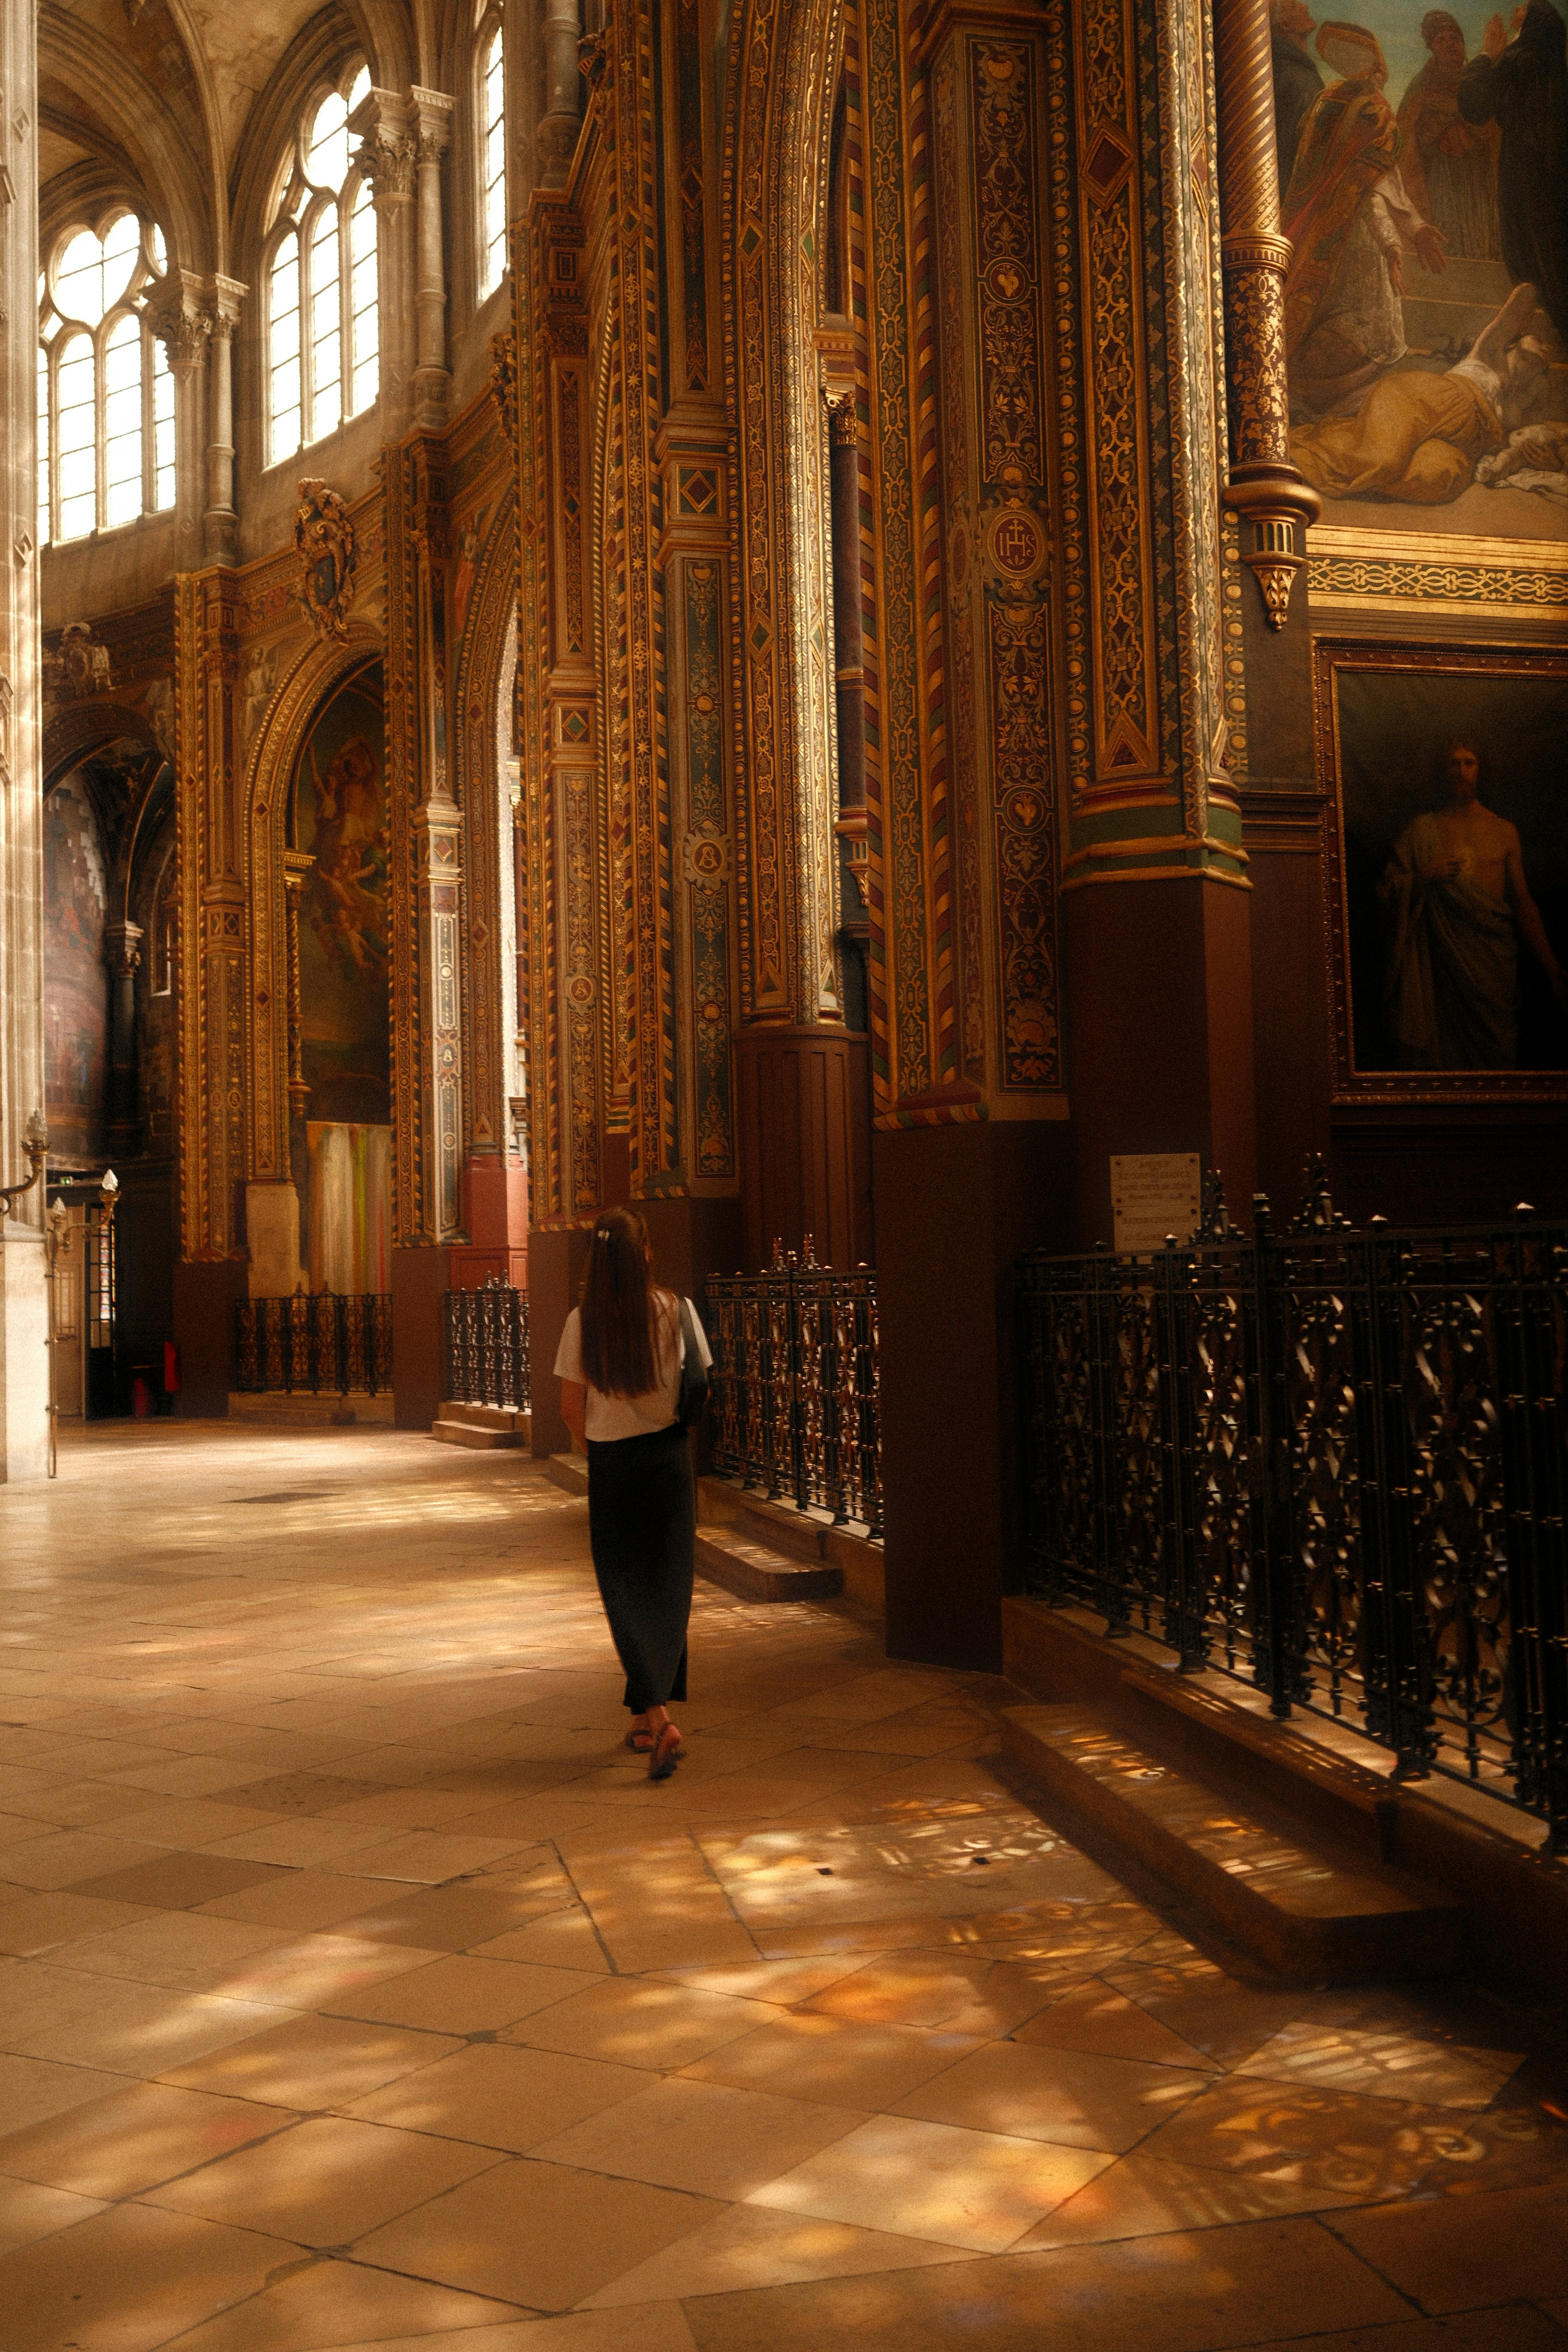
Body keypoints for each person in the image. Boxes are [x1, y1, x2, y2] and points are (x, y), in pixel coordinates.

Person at [554, 1207, 712, 1781]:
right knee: (666, 1589)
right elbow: (701, 1385)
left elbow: (571, 1409)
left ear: (596, 1260)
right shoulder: (677, 1310)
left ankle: (661, 1719)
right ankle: (646, 1722)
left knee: (624, 1591)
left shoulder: (583, 1321)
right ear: (644, 1254)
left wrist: (600, 1452)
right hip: (669, 1460)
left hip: (614, 1465)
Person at [1282, 22, 1447, 416]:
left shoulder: (1329, 101)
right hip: (1356, 238)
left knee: (1318, 313)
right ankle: (1342, 404)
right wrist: (1400, 237)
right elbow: (1370, 188)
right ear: (1376, 65)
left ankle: (1320, 399)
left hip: (1317, 228)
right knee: (1359, 326)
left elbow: (1354, 179)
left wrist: (1412, 228)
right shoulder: (1372, 111)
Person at [1378, 736, 1567, 1069]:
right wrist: (1423, 876)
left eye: (1470, 762)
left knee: (1498, 1053)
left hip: (1493, 964)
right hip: (1443, 970)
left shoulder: (1504, 830)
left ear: (1482, 770)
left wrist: (1552, 968)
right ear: (1442, 770)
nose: (1462, 771)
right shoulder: (1422, 830)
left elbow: (1523, 904)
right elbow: (1385, 892)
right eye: (1454, 762)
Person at [1292, 277, 1547, 500]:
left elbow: (1535, 441)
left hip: (1462, 440)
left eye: (1545, 354)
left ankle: (1340, 456)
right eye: (1533, 341)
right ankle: (1303, 455)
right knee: (1383, 461)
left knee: (1441, 477)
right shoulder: (1491, 354)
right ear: (1513, 345)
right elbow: (1522, 300)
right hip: (1429, 398)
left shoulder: (1524, 400)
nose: (1544, 345)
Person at [1459, 0, 1568, 343]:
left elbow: (1475, 106)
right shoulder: (1556, 67)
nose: (1512, 17)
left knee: (1528, 255)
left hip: (1524, 170)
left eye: (1519, 11)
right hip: (1558, 173)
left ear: (1532, 21)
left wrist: (1487, 55)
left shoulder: (1518, 62)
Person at [1396, 12, 1501, 262]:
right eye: (1441, 40)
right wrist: (1440, 131)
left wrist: (1469, 129)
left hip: (1478, 175)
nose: (1450, 44)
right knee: (1448, 236)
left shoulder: (1477, 82)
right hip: (1439, 177)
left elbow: (1495, 129)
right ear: (1432, 48)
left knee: (1481, 236)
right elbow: (1407, 137)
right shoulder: (1421, 87)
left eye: (1455, 38)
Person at [1271, 0, 1325, 197]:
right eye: (1294, 4)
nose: (1306, 6)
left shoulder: (1296, 70)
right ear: (1285, 25)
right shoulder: (1296, 78)